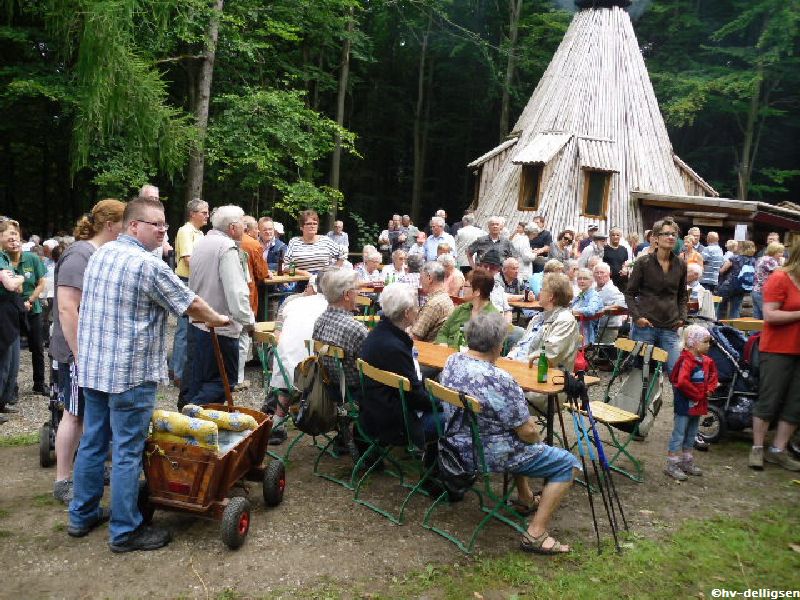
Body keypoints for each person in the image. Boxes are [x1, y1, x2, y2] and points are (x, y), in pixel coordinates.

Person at [70, 195, 228, 553]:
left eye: (165, 224)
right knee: (127, 451)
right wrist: (219, 319)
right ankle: (125, 531)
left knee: (94, 442)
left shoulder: (101, 253)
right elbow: (192, 305)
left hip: (94, 370)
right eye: (155, 224)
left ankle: (81, 516)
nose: (162, 230)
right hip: (129, 374)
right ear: (133, 226)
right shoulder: (148, 266)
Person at [440, 312, 580, 554]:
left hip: (453, 445)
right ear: (498, 344)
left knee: (511, 434)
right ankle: (536, 534)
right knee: (567, 464)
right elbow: (527, 431)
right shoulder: (500, 379)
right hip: (484, 453)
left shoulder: (453, 361)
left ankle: (526, 498)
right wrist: (537, 442)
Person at [50, 199, 125, 505]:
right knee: (74, 414)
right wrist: (81, 353)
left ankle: (88, 468)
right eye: (125, 223)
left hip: (92, 351)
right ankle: (63, 480)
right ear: (110, 225)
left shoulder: (99, 254)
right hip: (75, 352)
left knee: (93, 415)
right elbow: (68, 308)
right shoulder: (80, 254)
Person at [185, 206, 255, 406]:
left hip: (199, 324)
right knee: (224, 381)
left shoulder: (202, 242)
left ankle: (194, 425)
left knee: (201, 380)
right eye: (243, 222)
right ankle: (192, 413)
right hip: (220, 327)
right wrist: (249, 323)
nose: (246, 226)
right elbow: (236, 292)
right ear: (233, 228)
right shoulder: (227, 248)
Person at [360, 283, 439, 448]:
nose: (418, 310)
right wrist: (440, 403)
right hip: (396, 423)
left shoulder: (377, 334)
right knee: (456, 417)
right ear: (407, 313)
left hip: (373, 411)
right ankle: (440, 466)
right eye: (416, 307)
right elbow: (415, 397)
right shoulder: (395, 347)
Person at [749, 243, 800, 472]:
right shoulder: (780, 278)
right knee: (769, 399)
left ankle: (779, 450)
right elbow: (770, 314)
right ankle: (758, 448)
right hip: (778, 349)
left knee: (795, 403)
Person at [267, 271, 329, 445]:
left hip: (286, 370)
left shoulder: (291, 302)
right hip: (313, 375)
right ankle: (339, 427)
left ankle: (278, 421)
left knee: (285, 363)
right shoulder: (328, 305)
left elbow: (277, 332)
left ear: (311, 288)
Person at [312, 269, 368, 454]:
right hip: (354, 393)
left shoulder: (320, 320)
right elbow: (371, 367)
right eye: (356, 290)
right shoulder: (355, 328)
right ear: (346, 295)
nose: (358, 293)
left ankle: (344, 435)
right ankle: (366, 442)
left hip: (329, 388)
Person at [624, 217, 687, 374]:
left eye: (674, 234)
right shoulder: (643, 262)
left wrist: (682, 318)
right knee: (642, 373)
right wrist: (637, 317)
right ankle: (643, 400)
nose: (671, 237)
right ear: (656, 238)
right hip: (646, 327)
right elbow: (630, 293)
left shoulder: (681, 264)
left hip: (670, 327)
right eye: (666, 234)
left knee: (677, 372)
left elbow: (682, 295)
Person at [665, 325, 718, 481]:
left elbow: (713, 376)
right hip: (685, 403)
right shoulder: (686, 360)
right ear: (693, 343)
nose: (708, 345)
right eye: (705, 342)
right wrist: (698, 394)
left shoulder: (707, 361)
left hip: (699, 403)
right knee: (680, 432)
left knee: (692, 431)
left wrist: (710, 388)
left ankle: (686, 460)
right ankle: (672, 463)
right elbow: (681, 382)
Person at [3, 218, 47, 395]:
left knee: (37, 347)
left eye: (17, 240)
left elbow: (42, 282)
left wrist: (30, 301)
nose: (15, 244)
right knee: (11, 350)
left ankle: (39, 383)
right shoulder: (4, 260)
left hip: (32, 309)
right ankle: (11, 388)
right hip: (12, 312)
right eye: (11, 240)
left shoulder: (32, 258)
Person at [507, 273, 582, 370]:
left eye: (542, 289)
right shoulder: (538, 318)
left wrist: (517, 365)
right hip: (520, 366)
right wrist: (510, 358)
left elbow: (549, 356)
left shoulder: (565, 320)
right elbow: (521, 344)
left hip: (544, 375)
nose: (539, 293)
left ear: (551, 296)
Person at [171, 198, 209, 386]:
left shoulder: (200, 234)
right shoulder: (185, 231)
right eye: (204, 212)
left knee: (195, 327)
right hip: (186, 281)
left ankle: (185, 368)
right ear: (193, 214)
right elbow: (187, 259)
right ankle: (178, 373)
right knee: (184, 328)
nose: (207, 216)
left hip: (197, 281)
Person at [237, 216, 270, 389]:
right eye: (257, 229)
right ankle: (239, 378)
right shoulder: (253, 244)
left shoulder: (226, 240)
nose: (258, 232)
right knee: (243, 337)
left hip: (226, 296)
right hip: (246, 295)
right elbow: (261, 273)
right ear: (249, 229)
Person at [435, 268, 497, 347]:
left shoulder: (492, 317)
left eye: (466, 286)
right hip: (447, 354)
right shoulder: (461, 309)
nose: (462, 288)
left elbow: (489, 349)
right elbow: (442, 332)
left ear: (477, 292)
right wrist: (443, 344)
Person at [0, 220, 25, 418]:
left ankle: (4, 401)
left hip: (11, 313)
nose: (13, 237)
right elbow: (11, 284)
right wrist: (21, 278)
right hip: (3, 313)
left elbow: (17, 286)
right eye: (9, 233)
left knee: (12, 363)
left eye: (15, 234)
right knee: (4, 363)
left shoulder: (7, 258)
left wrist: (18, 280)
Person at [285, 209, 344, 277]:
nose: (312, 226)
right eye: (309, 223)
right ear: (301, 227)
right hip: (301, 281)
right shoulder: (294, 242)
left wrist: (333, 272)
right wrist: (302, 273)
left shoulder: (326, 240)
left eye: (315, 223)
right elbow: (286, 266)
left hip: (323, 282)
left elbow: (342, 255)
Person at [412, 261, 454, 342]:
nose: (420, 282)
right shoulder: (445, 298)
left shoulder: (433, 304)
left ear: (429, 278)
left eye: (421, 278)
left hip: (426, 350)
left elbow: (415, 337)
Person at [717, 240, 756, 320]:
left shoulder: (734, 258)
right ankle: (734, 329)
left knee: (722, 307)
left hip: (729, 285)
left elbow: (722, 270)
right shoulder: (753, 260)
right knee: (735, 309)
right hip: (741, 287)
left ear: (741, 247)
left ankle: (718, 326)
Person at [571, 267, 605, 346]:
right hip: (576, 332)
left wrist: (573, 311)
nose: (582, 281)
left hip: (586, 336)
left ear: (591, 281)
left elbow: (591, 310)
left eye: (585, 278)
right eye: (579, 278)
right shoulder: (579, 295)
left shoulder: (594, 295)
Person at [752, 242, 784, 320]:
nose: (782, 254)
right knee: (767, 316)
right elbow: (781, 273)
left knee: (757, 318)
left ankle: (754, 332)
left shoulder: (762, 258)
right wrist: (782, 263)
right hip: (763, 291)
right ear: (773, 251)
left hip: (756, 290)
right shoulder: (770, 260)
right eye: (780, 252)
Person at [593, 262, 627, 333]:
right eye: (597, 273)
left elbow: (623, 304)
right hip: (595, 327)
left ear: (609, 274)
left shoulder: (612, 289)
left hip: (609, 328)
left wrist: (602, 310)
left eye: (602, 272)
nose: (599, 275)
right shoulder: (593, 289)